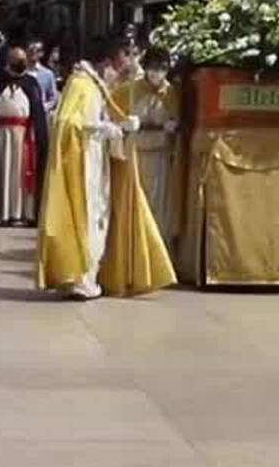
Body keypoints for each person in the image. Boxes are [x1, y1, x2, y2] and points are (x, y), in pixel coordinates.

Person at [35, 36, 177, 300]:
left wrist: (118, 126)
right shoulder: (82, 84)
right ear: (107, 61)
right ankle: (81, 278)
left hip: (96, 159)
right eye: (119, 62)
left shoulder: (91, 83)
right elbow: (71, 123)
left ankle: (86, 276)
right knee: (89, 218)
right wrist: (116, 128)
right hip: (84, 164)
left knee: (97, 219)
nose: (119, 70)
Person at [123, 46, 182, 242]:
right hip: (136, 154)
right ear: (146, 67)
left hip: (160, 158)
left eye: (163, 68)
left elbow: (175, 119)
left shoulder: (169, 92)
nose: (158, 72)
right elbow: (113, 111)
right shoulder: (133, 88)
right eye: (154, 67)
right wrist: (126, 123)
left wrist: (172, 124)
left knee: (158, 206)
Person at [0, 45, 48, 226]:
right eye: (17, 60)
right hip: (3, 134)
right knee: (6, 171)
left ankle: (26, 212)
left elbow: (37, 109)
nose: (20, 63)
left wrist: (37, 133)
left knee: (22, 173)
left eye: (22, 60)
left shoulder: (31, 82)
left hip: (24, 135)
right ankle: (6, 212)